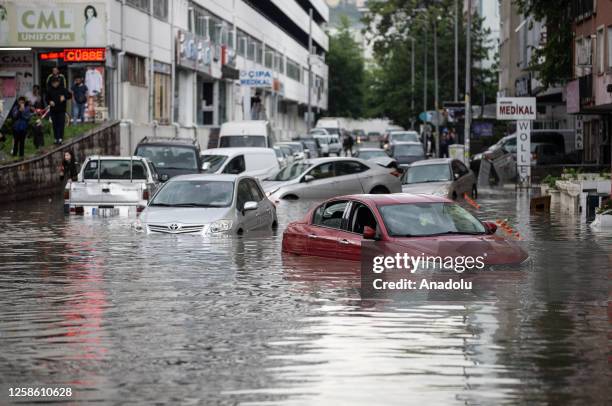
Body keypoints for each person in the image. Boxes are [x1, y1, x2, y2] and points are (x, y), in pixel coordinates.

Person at [46, 77, 71, 145]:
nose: (55, 84)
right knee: (54, 124)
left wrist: (64, 97)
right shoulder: (49, 90)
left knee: (61, 124)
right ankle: (55, 138)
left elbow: (70, 95)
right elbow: (46, 98)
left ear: (58, 82)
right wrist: (49, 102)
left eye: (56, 82)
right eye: (53, 83)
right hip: (53, 110)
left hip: (61, 110)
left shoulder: (63, 89)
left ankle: (60, 138)